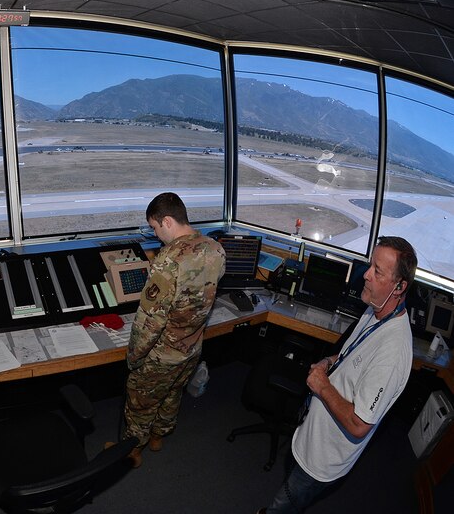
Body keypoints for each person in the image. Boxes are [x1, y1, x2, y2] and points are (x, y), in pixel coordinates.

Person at [260, 236, 417, 514]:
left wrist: (321, 386)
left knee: (282, 506)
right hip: (311, 433)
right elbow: (352, 353)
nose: (366, 275)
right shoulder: (376, 309)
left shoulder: (393, 354)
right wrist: (330, 361)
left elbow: (359, 424)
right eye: (370, 266)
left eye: (377, 271)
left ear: (400, 286)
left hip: (321, 459)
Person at [116, 192, 225, 467]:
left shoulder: (168, 261)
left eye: (154, 227)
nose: (155, 234)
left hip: (161, 355)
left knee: (140, 400)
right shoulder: (216, 249)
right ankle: (157, 437)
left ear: (166, 221)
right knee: (172, 393)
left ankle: (133, 451)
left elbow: (149, 322)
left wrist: (134, 357)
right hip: (191, 349)